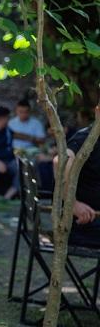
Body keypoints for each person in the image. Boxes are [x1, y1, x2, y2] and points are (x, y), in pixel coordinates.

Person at [54, 105, 100, 249]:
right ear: (97, 112)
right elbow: (60, 162)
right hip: (86, 222)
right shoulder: (86, 138)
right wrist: (72, 204)